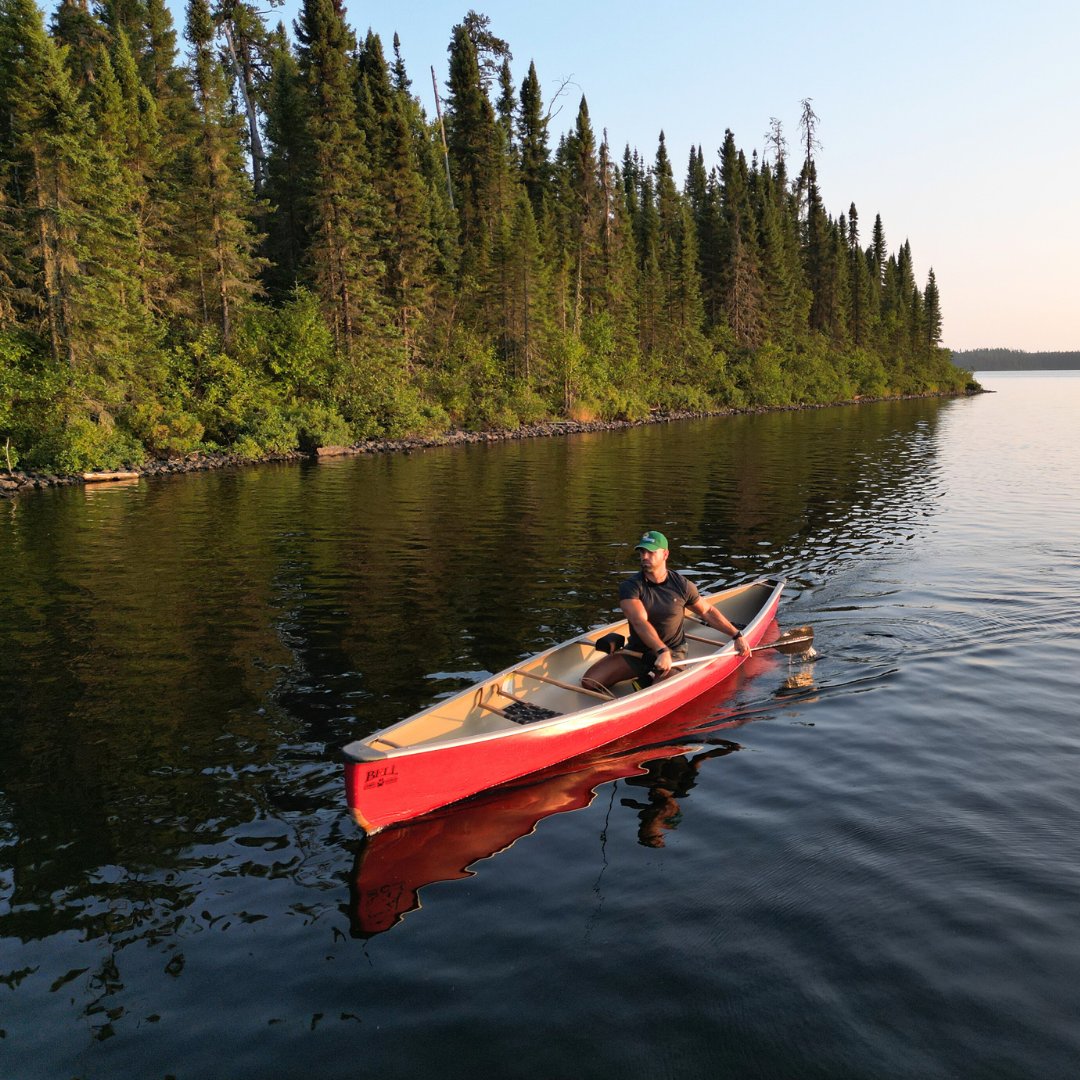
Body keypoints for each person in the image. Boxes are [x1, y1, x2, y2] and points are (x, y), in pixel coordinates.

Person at [581, 529, 751, 694]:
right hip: (637, 651)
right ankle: (647, 674)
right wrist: (660, 650)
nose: (644, 557)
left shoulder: (682, 585)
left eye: (650, 552)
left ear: (665, 554)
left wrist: (737, 635)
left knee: (654, 694)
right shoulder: (631, 587)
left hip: (672, 652)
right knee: (589, 682)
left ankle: (651, 677)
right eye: (641, 552)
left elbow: (707, 611)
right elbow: (640, 622)